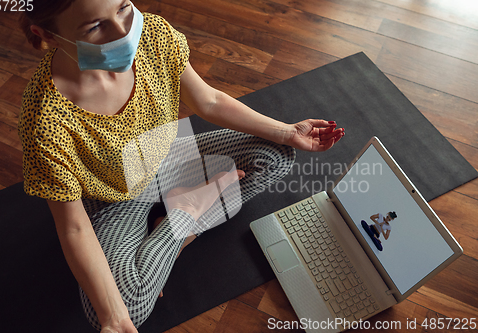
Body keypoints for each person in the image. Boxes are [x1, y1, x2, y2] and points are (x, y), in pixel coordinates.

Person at [18, 0, 345, 332]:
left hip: (166, 158)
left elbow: (209, 100)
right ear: (47, 35)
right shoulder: (44, 120)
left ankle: (174, 230)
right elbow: (73, 227)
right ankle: (186, 214)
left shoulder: (155, 35)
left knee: (277, 155)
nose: (123, 31)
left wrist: (288, 132)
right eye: (94, 27)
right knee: (124, 306)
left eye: (123, 8)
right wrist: (114, 320)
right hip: (113, 199)